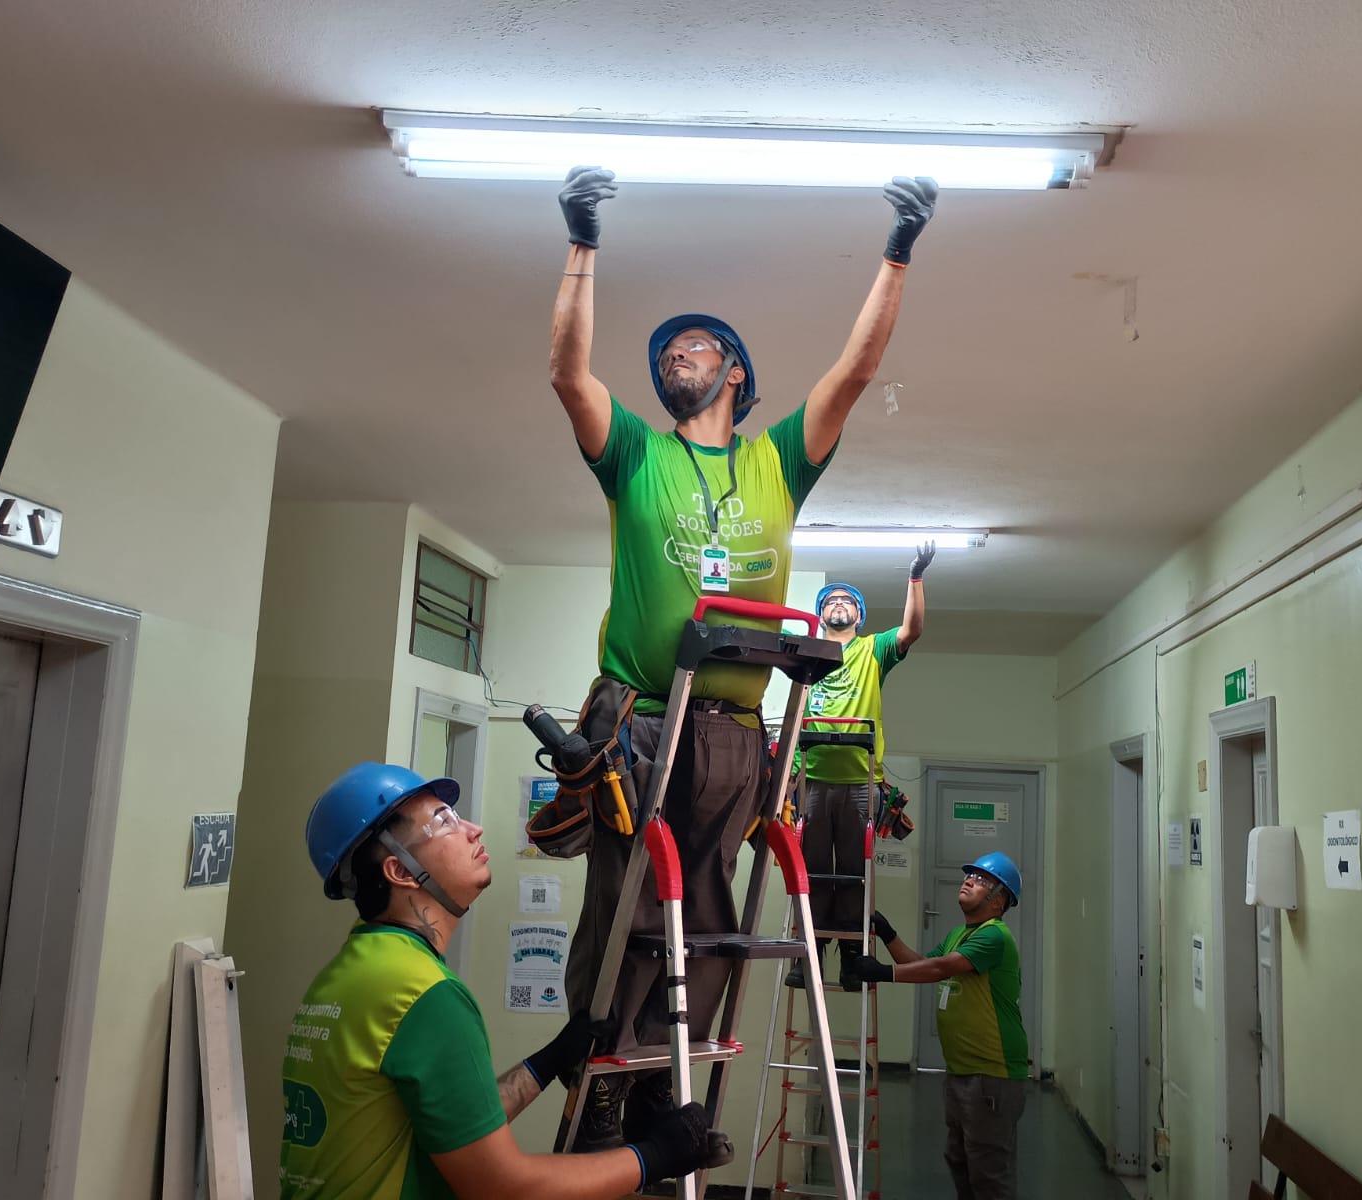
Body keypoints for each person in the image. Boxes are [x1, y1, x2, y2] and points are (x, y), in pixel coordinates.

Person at [547, 166, 940, 1147]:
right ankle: (598, 1087)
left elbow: (852, 373)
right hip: (640, 718)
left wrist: (898, 248)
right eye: (666, 350)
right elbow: (567, 374)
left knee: (712, 913)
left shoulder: (778, 462)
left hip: (733, 731)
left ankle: (665, 1096)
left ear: (735, 375)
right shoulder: (637, 456)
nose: (678, 352)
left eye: (698, 344)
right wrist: (581, 242)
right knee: (625, 909)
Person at [280, 762, 726, 1199]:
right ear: (399, 871)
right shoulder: (423, 995)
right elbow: (502, 1186)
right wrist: (655, 1156)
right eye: (443, 821)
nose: (472, 828)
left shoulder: (352, 974)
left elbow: (460, 1125)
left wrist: (549, 1061)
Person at [785, 542, 934, 992]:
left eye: (847, 601)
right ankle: (806, 951)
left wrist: (915, 577)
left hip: (859, 779)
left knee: (852, 870)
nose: (838, 604)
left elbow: (912, 630)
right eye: (829, 600)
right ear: (820, 614)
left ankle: (851, 955)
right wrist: (788, 778)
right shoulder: (807, 653)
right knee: (809, 871)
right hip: (810, 776)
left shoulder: (873, 650)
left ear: (860, 616)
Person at [853, 852, 1029, 1200]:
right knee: (961, 1159)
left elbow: (939, 970)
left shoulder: (994, 937)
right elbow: (923, 964)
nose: (969, 880)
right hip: (963, 1071)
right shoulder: (960, 935)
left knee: (988, 1171)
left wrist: (880, 973)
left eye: (981, 880)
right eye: (970, 875)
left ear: (1000, 901)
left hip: (991, 1074)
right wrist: (888, 935)